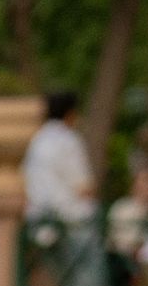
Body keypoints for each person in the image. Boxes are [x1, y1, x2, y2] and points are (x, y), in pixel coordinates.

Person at [20, 91, 95, 221]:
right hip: (66, 216)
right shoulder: (69, 139)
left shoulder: (37, 139)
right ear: (70, 114)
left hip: (36, 215)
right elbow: (82, 185)